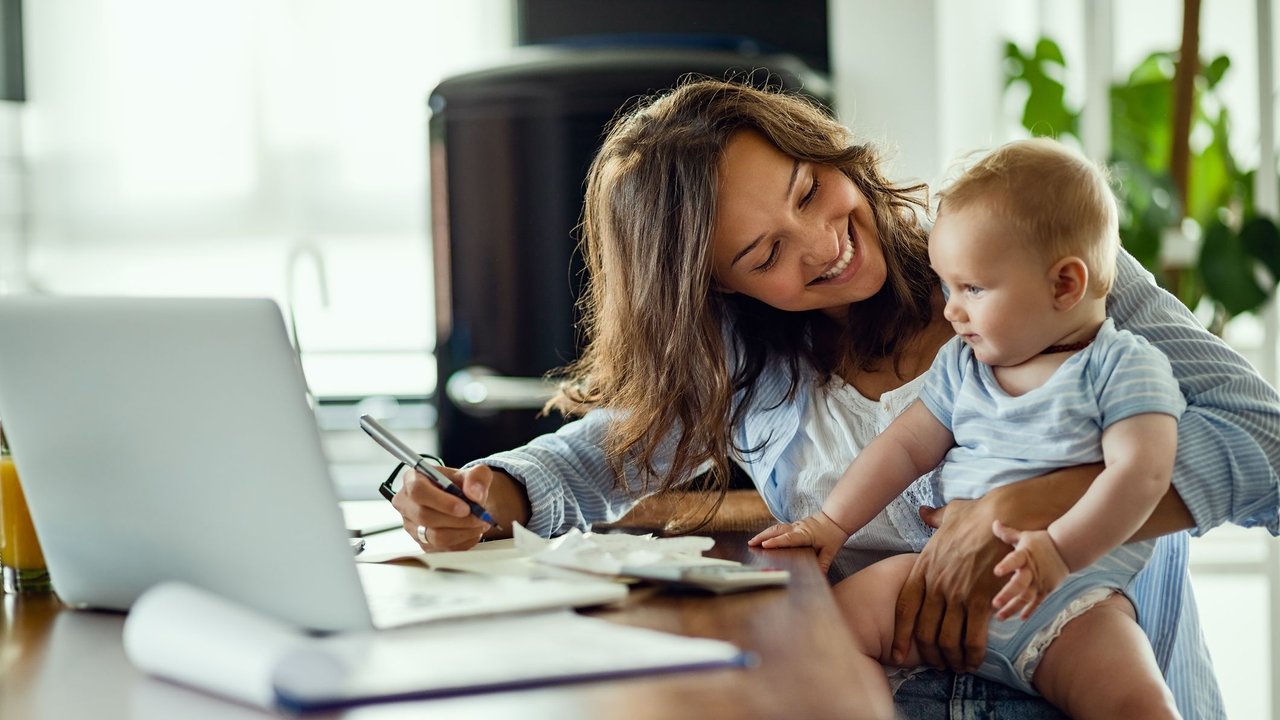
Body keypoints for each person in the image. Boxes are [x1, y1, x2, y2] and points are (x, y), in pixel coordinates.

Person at [391, 78, 1280, 718]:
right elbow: (597, 455)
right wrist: (485, 494)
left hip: (1095, 680)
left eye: (811, 192)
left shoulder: (1034, 264)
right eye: (764, 256)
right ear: (719, 291)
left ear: (824, 151)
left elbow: (1267, 448)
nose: (822, 246)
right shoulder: (748, 358)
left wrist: (1027, 503)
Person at [751, 137, 1183, 717]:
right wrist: (832, 522)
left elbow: (1145, 473)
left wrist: (1057, 550)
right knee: (824, 632)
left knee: (1138, 700)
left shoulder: (1121, 367)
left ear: (1064, 285)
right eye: (947, 286)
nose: (951, 310)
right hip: (937, 578)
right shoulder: (964, 364)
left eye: (973, 289)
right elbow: (904, 446)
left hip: (1074, 601)